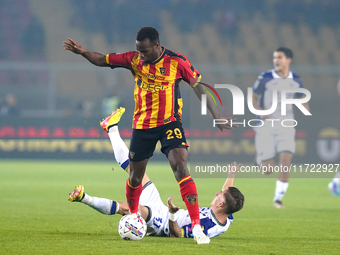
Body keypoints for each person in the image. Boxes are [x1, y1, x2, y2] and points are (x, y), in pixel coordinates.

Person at [63, 27, 235, 244]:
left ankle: (197, 227)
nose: (141, 56)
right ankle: (134, 214)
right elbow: (102, 60)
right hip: (143, 125)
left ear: (156, 45)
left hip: (170, 123)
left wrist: (216, 115)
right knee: (135, 176)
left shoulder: (177, 61)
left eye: (144, 51)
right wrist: (83, 52)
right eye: (139, 51)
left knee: (180, 167)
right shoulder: (133, 59)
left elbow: (199, 87)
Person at [68, 108, 244, 238]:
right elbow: (229, 195)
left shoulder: (209, 227)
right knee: (134, 171)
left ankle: (84, 198)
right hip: (162, 208)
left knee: (131, 209)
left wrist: (173, 214)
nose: (217, 194)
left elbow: (178, 235)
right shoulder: (228, 214)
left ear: (221, 205)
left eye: (219, 196)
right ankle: (111, 128)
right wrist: (231, 176)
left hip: (163, 223)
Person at [252, 47, 310, 209]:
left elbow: (302, 97)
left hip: (286, 126)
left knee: (286, 159)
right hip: (266, 126)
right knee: (267, 169)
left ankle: (278, 199)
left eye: (279, 57)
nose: (276, 60)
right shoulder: (265, 77)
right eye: (274, 57)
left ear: (288, 60)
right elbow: (253, 97)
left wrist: (305, 108)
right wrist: (260, 111)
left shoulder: (296, 80)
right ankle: (260, 160)